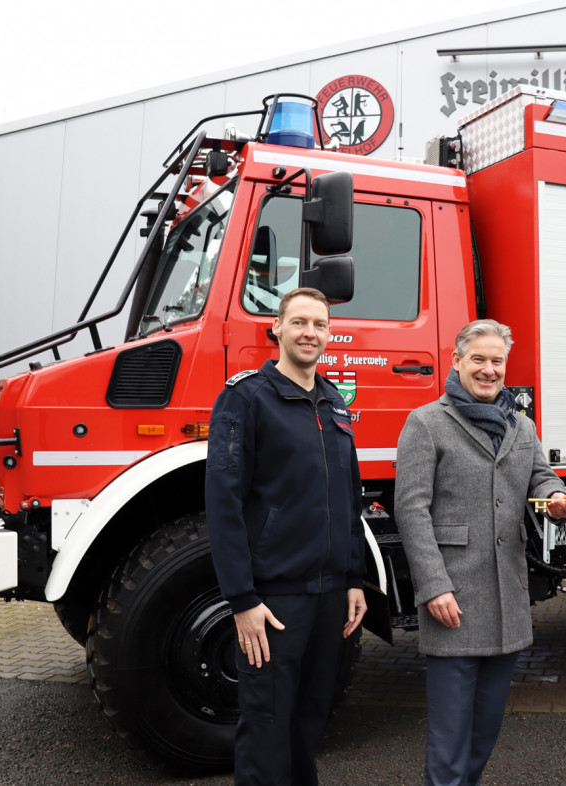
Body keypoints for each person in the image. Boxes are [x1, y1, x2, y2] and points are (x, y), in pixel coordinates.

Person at [394, 319, 566, 786]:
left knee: (484, 733)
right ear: (457, 361)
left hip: (506, 600)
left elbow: (541, 477)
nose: (489, 369)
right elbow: (411, 510)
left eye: (497, 360)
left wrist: (556, 497)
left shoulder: (522, 425)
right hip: (453, 597)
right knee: (449, 739)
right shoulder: (427, 422)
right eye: (478, 359)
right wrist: (433, 586)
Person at [206, 287, 367, 786]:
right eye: (299, 322)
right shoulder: (246, 397)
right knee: (268, 728)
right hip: (274, 602)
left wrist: (355, 578)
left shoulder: (333, 401)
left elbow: (349, 495)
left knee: (309, 723)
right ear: (276, 329)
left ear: (329, 334)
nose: (309, 333)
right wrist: (241, 599)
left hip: (330, 596)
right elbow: (223, 503)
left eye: (319, 324)